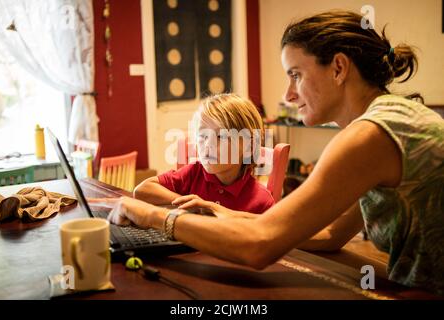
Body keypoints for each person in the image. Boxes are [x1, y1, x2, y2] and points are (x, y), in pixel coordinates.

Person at [91, 11, 444, 294]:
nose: (289, 95)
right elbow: (330, 234)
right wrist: (220, 212)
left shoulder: (369, 136)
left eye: (295, 75)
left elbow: (260, 246)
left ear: (338, 68)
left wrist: (154, 217)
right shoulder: (393, 119)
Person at [133, 93, 275, 214]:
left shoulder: (261, 201)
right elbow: (141, 190)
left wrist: (210, 208)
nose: (208, 145)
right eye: (203, 135)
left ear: (249, 146)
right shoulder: (194, 173)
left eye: (221, 136)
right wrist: (191, 205)